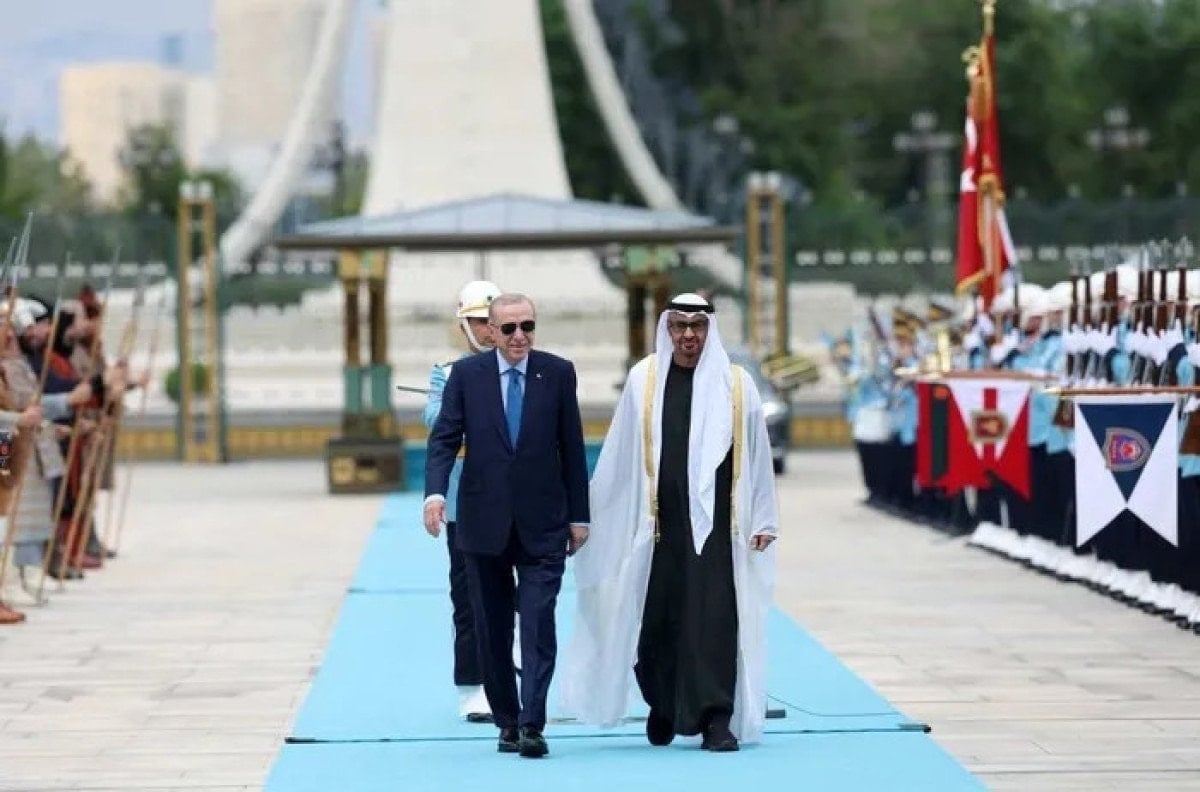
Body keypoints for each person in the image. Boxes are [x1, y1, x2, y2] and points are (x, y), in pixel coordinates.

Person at [562, 292, 780, 752]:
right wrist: (589, 514)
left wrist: (764, 518)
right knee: (657, 618)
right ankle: (662, 704)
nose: (687, 335)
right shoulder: (644, 379)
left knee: (714, 619)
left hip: (718, 529)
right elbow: (620, 453)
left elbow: (758, 455)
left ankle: (716, 717)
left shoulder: (737, 385)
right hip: (657, 524)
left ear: (709, 330)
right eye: (679, 326)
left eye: (697, 326)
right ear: (667, 329)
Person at [423, 293, 589, 759]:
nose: (520, 336)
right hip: (482, 523)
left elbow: (572, 447)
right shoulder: (466, 377)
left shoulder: (557, 373)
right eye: (510, 328)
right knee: (492, 629)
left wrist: (579, 515)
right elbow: (444, 440)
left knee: (538, 624)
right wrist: (435, 494)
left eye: (527, 326)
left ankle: (533, 723)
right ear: (491, 331)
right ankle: (508, 721)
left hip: (544, 523)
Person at [422, 280, 502, 723]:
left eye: (492, 321)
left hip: (513, 497)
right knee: (468, 595)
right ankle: (472, 685)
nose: (488, 330)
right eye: (479, 322)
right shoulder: (448, 372)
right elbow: (435, 418)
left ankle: (511, 674)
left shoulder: (524, 368)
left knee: (515, 592)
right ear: (465, 326)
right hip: (464, 501)